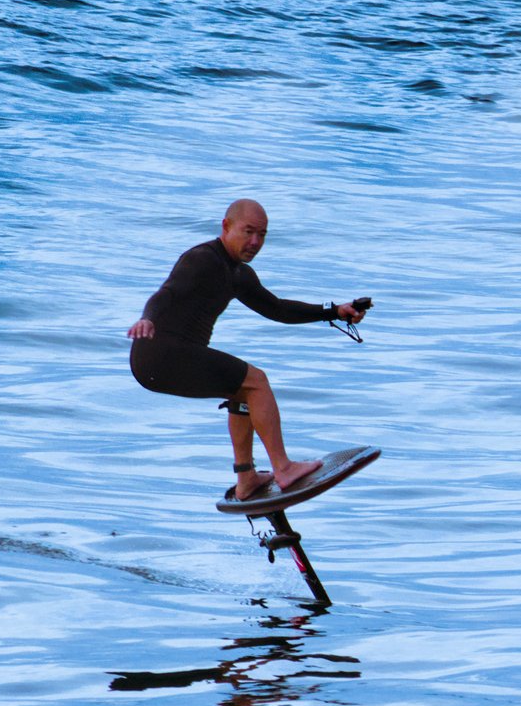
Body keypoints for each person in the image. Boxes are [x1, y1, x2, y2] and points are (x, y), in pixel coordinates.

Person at [127, 198, 366, 498]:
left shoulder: (238, 274)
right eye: (249, 231)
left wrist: (334, 311)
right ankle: (283, 467)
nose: (255, 242)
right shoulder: (202, 259)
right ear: (226, 227)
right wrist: (147, 318)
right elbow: (166, 294)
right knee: (256, 381)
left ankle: (246, 478)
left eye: (262, 234)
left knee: (243, 392)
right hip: (162, 352)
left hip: (158, 363)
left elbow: (278, 309)